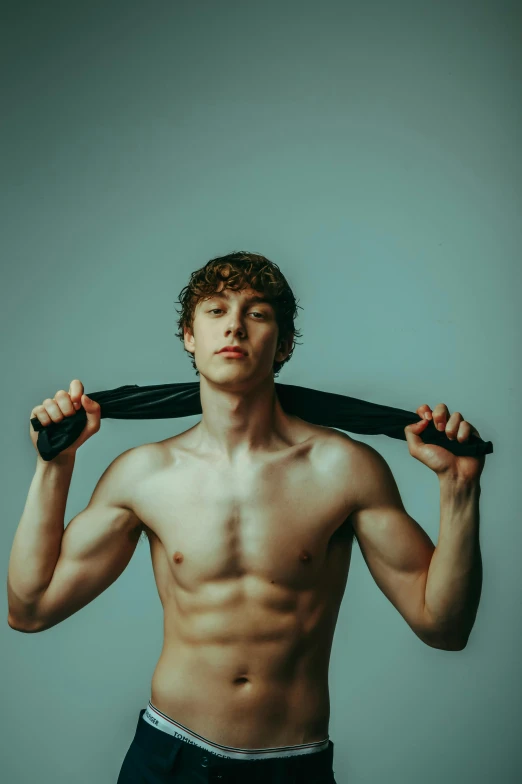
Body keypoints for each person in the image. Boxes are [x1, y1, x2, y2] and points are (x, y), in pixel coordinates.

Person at [7, 252, 484, 783]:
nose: (234, 324)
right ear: (189, 336)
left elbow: (444, 627)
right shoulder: (144, 474)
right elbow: (29, 608)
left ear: (281, 345)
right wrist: (55, 467)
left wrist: (459, 490)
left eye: (256, 313)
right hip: (169, 759)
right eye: (215, 310)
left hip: (291, 768)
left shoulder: (344, 469)